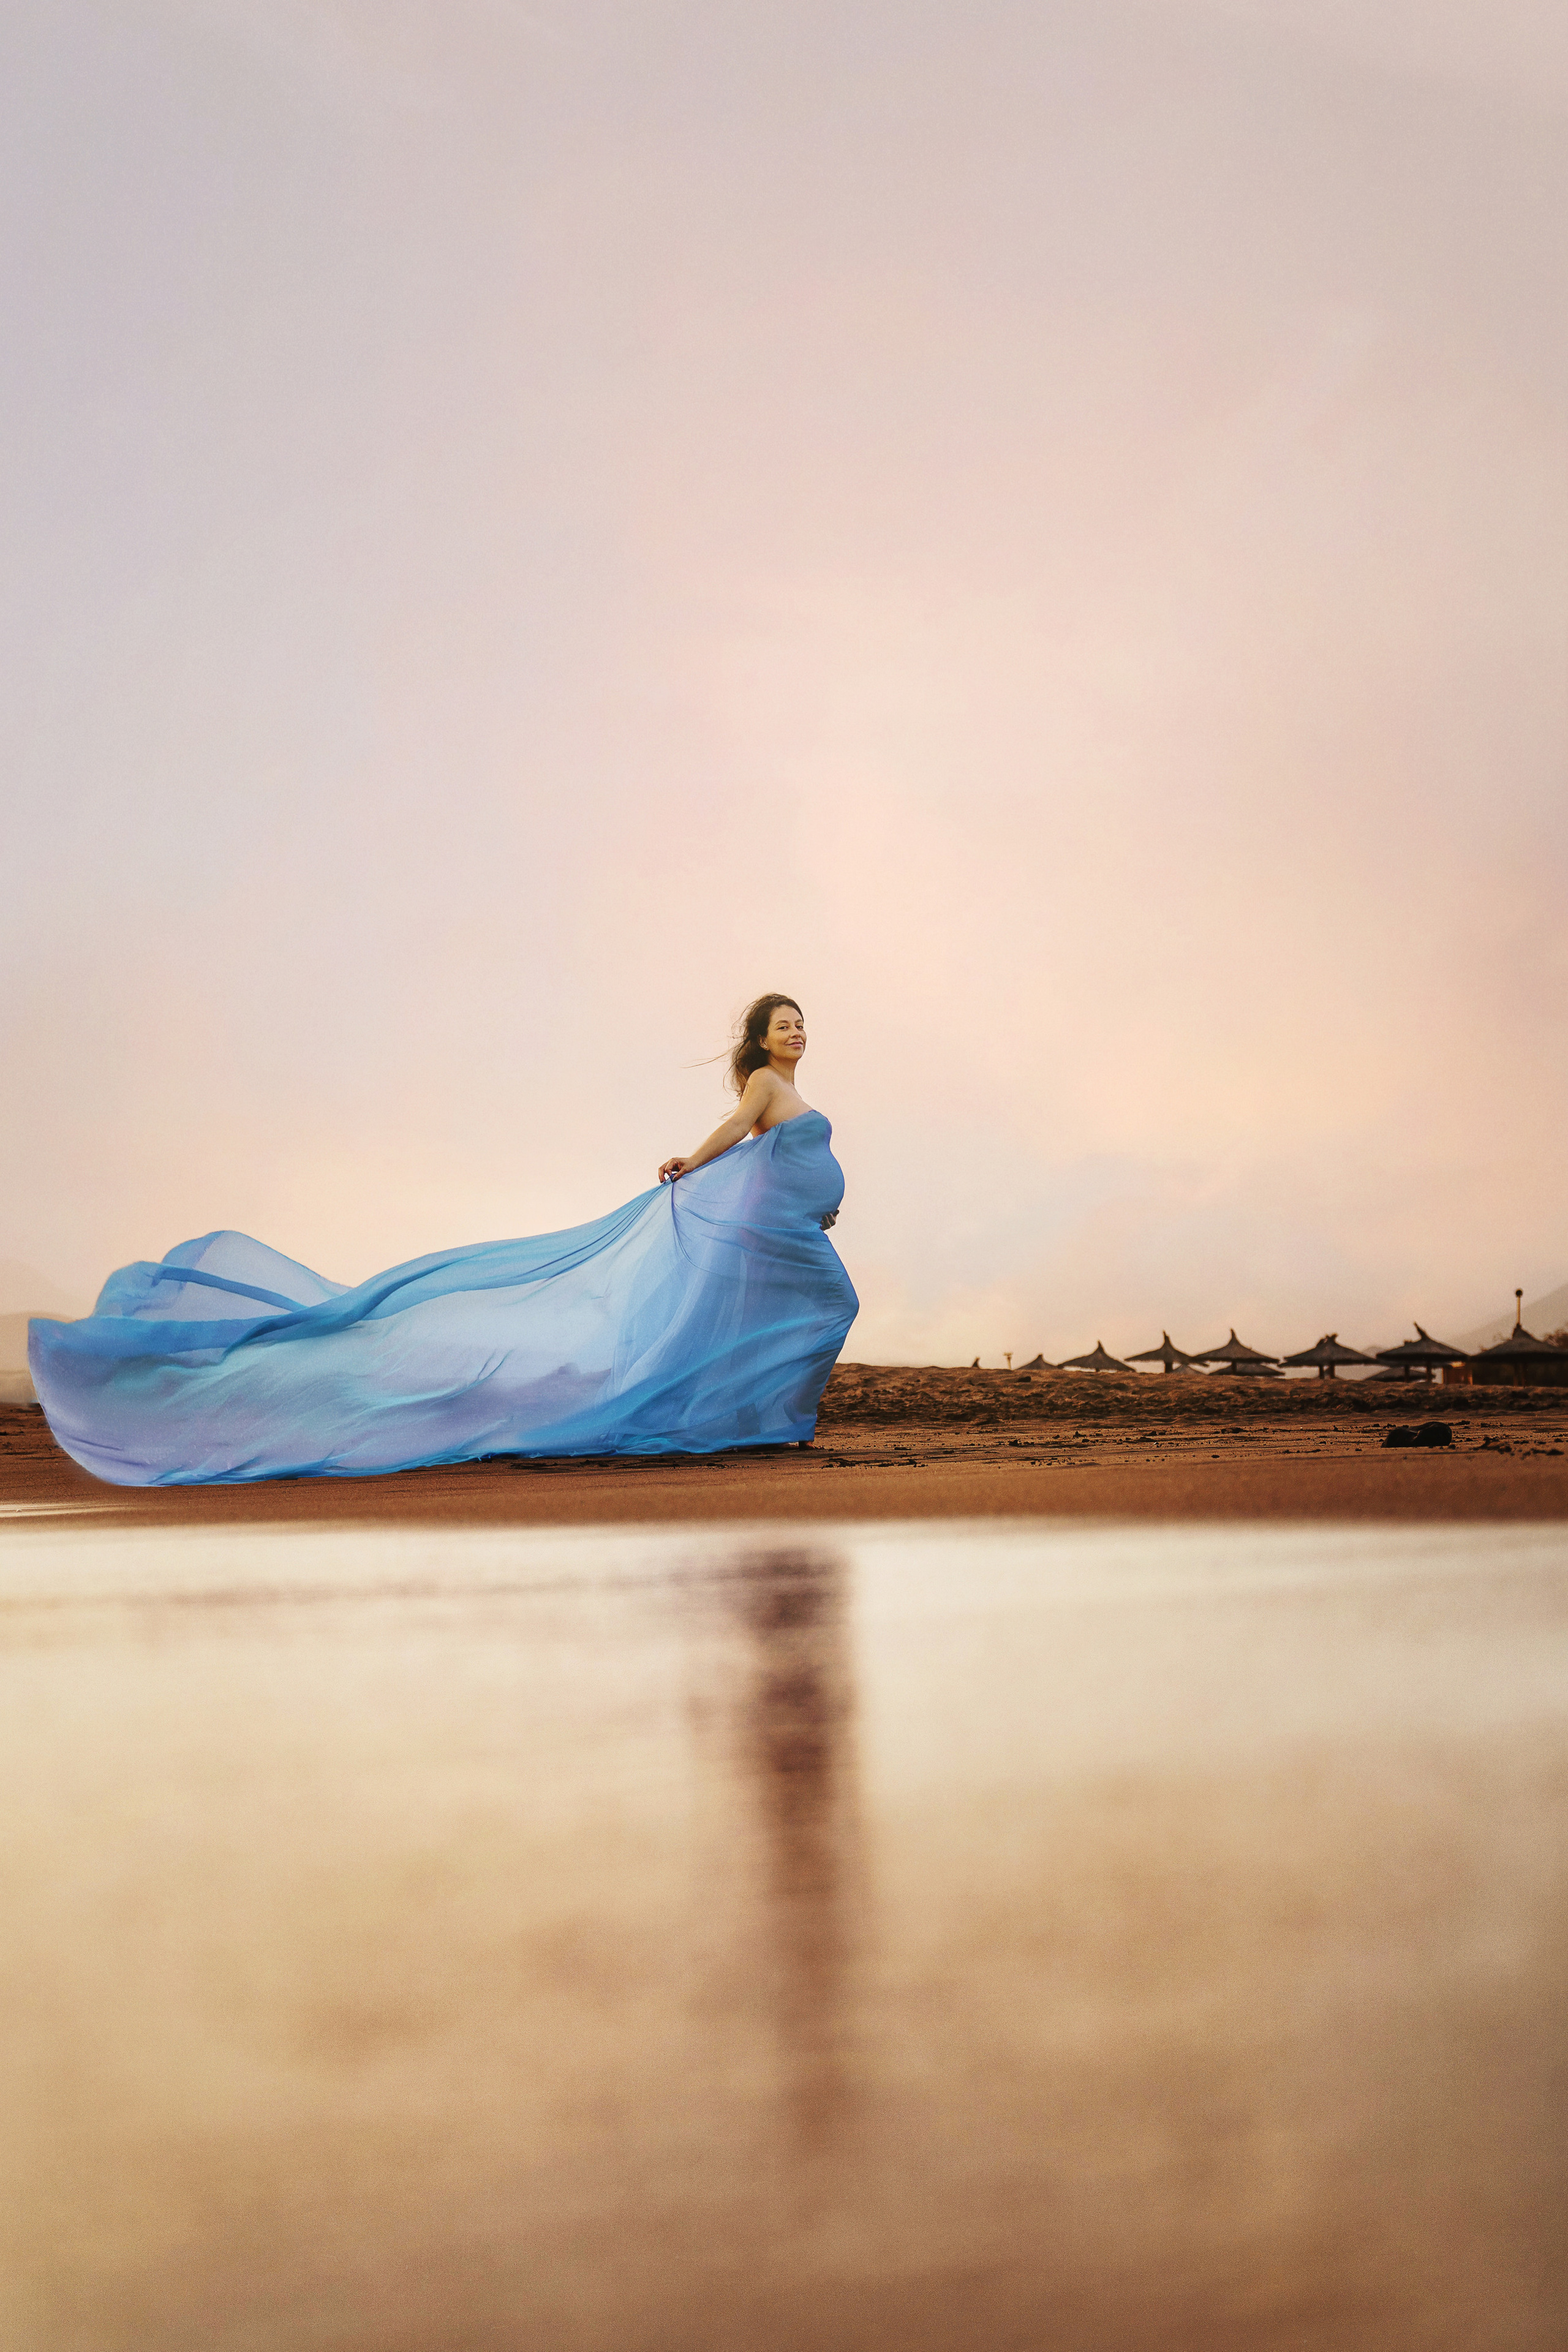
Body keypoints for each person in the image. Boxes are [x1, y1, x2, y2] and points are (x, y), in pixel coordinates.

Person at [29, 992, 859, 1486]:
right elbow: (737, 1133)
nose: (796, 1031)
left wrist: (813, 1207)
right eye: (783, 1024)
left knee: (801, 1313)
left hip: (781, 1235)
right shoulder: (761, 1085)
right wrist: (692, 1160)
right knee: (831, 1305)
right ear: (757, 1039)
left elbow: (773, 1164)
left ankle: (763, 1413)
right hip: (765, 1236)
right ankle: (765, 1413)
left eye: (800, 1023)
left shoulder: (794, 1090)